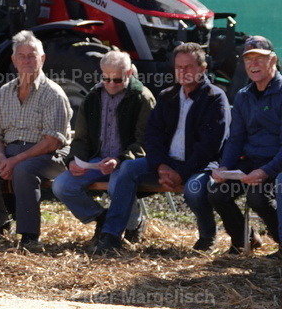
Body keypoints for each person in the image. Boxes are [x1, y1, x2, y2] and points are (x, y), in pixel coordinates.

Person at [97, 43, 229, 254]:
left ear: (202, 68)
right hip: (166, 164)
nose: (183, 72)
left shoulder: (215, 98)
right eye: (179, 67)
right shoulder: (167, 96)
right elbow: (153, 135)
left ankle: (207, 237)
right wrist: (160, 166)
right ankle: (111, 236)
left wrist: (181, 173)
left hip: (200, 166)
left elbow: (209, 146)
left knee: (194, 190)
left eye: (189, 67)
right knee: (127, 169)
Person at [0, 30, 71, 252]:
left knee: (23, 170)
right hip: (10, 153)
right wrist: (1, 158)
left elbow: (53, 141)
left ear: (42, 59)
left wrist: (15, 161)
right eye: (21, 56)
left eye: (32, 55)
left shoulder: (53, 94)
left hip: (47, 156)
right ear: (14, 61)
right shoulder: (5, 92)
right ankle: (0, 228)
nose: (27, 60)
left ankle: (29, 236)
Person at [51, 50, 155, 246]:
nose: (110, 84)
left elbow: (146, 141)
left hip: (127, 164)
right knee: (62, 186)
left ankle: (133, 226)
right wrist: (74, 160)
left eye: (116, 80)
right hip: (96, 161)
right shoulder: (92, 97)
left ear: (129, 74)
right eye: (106, 79)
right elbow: (81, 138)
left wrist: (120, 159)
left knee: (118, 185)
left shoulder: (142, 97)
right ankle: (103, 218)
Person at [208, 36, 282, 253]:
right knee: (217, 192)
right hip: (252, 162)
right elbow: (236, 138)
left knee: (257, 197)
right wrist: (224, 167)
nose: (253, 64)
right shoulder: (242, 96)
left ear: (273, 60)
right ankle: (245, 241)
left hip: (276, 164)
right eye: (249, 60)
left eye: (260, 58)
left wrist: (266, 171)